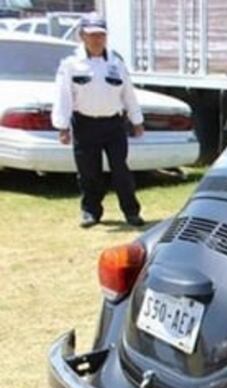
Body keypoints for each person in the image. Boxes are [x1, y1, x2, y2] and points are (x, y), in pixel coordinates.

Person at [52, 13, 145, 228]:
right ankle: (91, 211)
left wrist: (137, 120)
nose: (97, 40)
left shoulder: (116, 62)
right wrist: (62, 127)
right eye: (92, 35)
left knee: (120, 170)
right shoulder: (71, 64)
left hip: (113, 125)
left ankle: (131, 212)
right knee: (89, 171)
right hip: (85, 124)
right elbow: (63, 96)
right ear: (82, 36)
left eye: (101, 35)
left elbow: (128, 94)